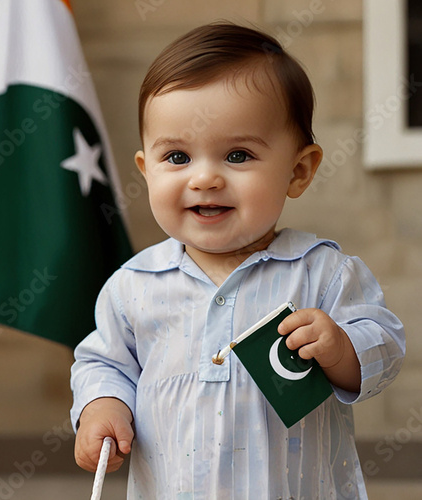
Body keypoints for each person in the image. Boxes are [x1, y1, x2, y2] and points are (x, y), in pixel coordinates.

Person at [70, 23, 405, 499]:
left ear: (299, 169)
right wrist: (102, 404)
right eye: (178, 157)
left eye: (238, 154)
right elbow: (102, 362)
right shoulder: (134, 285)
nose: (205, 178)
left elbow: (386, 346)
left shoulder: (322, 271)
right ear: (146, 170)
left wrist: (342, 347)